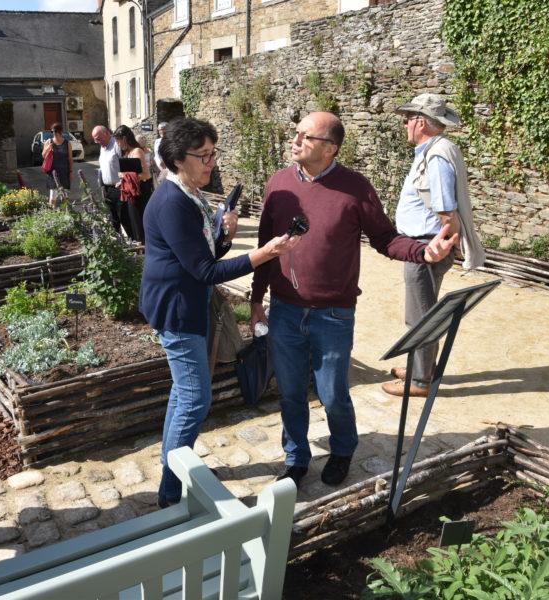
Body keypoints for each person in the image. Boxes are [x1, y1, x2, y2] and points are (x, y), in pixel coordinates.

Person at [250, 112, 457, 489]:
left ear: (330, 148)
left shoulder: (355, 187)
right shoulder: (279, 183)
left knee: (332, 394)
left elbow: (385, 238)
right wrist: (255, 301)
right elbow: (265, 246)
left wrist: (422, 252)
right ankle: (296, 458)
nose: (295, 141)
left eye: (305, 136)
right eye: (296, 134)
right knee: (291, 392)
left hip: (333, 313)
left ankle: (343, 450)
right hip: (284, 310)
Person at [140, 118, 300, 507]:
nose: (212, 162)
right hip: (177, 309)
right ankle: (171, 491)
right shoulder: (173, 202)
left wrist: (224, 235)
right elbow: (205, 271)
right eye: (204, 155)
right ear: (178, 159)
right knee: (195, 399)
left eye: (214, 153)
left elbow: (203, 254)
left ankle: (174, 468)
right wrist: (264, 254)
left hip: (183, 302)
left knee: (184, 394)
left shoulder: (188, 193)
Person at [382, 93, 484, 398]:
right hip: (427, 244)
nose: (404, 124)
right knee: (425, 310)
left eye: (407, 118)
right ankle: (421, 367)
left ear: (421, 122)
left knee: (420, 317)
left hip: (426, 246)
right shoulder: (437, 150)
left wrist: (447, 243)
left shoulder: (436, 155)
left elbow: (445, 210)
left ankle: (420, 381)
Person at [113, 125, 153, 243]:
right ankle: (139, 246)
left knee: (140, 223)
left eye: (118, 141)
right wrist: (122, 182)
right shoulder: (127, 153)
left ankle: (145, 247)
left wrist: (124, 176)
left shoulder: (137, 151)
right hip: (132, 194)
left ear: (124, 139)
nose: (118, 144)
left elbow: (146, 175)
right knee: (133, 223)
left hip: (141, 194)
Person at [92, 125, 130, 237]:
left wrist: (123, 181)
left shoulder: (116, 145)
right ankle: (117, 242)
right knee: (113, 219)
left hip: (119, 188)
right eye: (95, 140)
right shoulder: (102, 147)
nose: (97, 142)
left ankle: (133, 242)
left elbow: (126, 165)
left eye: (99, 139)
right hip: (107, 189)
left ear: (106, 134)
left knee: (124, 218)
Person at [42, 122, 73, 207]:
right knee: (53, 194)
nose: (53, 133)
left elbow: (70, 159)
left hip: (64, 172)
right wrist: (48, 148)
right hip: (52, 172)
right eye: (52, 131)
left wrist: (71, 171)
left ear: (60, 132)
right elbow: (43, 155)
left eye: (55, 131)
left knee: (64, 194)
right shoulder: (49, 142)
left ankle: (66, 212)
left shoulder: (67, 143)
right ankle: (52, 212)